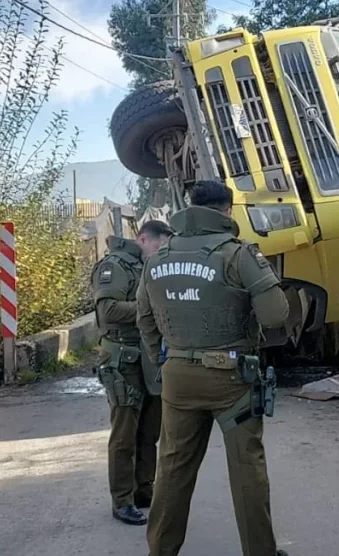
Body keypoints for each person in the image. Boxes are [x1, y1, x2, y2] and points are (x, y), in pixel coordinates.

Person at [136, 180, 290, 556]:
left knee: (172, 469)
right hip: (231, 381)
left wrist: (166, 357)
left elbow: (144, 320)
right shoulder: (237, 254)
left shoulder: (158, 257)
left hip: (177, 381)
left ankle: (160, 551)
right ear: (227, 211)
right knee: (247, 470)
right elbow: (275, 315)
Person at [91, 220, 174, 526]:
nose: (162, 252)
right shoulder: (115, 267)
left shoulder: (147, 265)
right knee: (124, 433)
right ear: (143, 239)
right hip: (122, 358)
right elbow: (107, 311)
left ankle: (143, 489)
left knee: (150, 430)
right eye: (159, 246)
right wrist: (148, 307)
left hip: (148, 357)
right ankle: (122, 500)